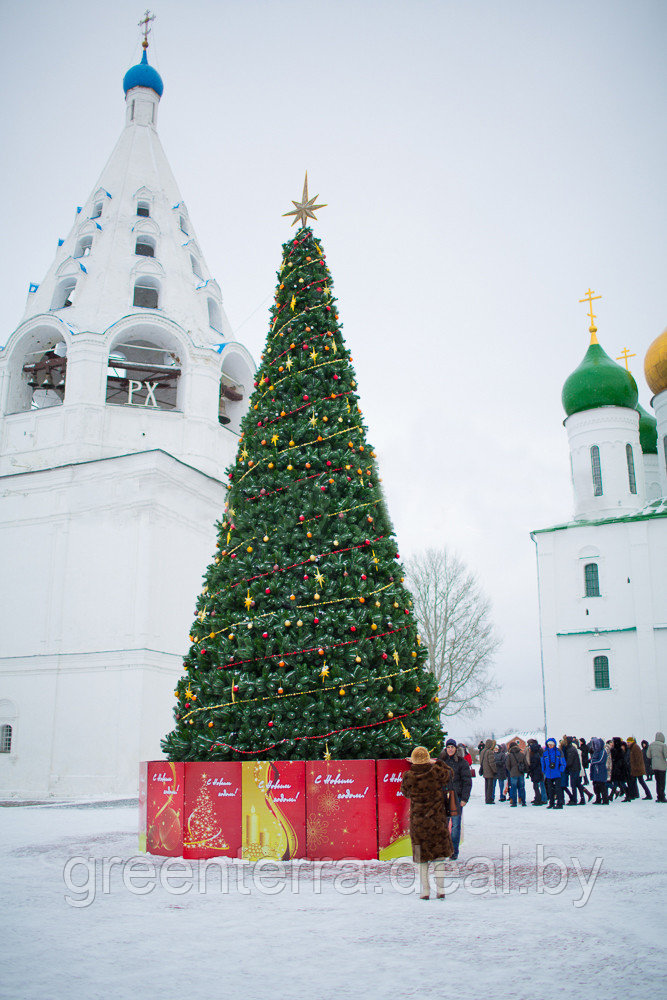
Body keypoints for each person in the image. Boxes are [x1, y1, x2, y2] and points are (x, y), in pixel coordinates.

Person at [400, 746, 454, 899]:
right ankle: (441, 890)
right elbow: (449, 773)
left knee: (421, 860)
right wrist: (434, 762)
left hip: (419, 823)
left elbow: (405, 792)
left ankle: (425, 892)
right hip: (437, 821)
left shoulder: (409, 776)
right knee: (439, 858)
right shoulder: (436, 772)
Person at [439, 739, 472, 860]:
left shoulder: (462, 763)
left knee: (455, 825)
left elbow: (467, 781)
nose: (450, 749)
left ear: (456, 749)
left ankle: (454, 851)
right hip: (443, 796)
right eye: (448, 747)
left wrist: (464, 798)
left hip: (456, 796)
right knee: (443, 824)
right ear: (445, 749)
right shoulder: (441, 762)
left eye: (452, 747)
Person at [565, 735, 592, 805]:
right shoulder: (573, 749)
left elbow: (570, 762)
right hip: (577, 769)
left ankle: (575, 799)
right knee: (577, 784)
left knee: (574, 785)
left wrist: (564, 765)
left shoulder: (571, 750)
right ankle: (583, 798)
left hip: (574, 769)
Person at [542, 738, 567, 808]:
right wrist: (544, 770)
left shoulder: (559, 751)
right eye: (549, 744)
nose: (550, 746)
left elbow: (563, 762)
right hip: (548, 774)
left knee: (558, 789)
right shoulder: (545, 752)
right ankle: (551, 803)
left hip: (557, 773)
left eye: (551, 744)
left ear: (554, 744)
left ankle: (559, 803)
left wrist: (561, 770)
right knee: (550, 789)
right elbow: (543, 762)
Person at [646, 732, 667, 803]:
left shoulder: (651, 745)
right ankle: (662, 797)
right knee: (662, 782)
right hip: (662, 766)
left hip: (654, 766)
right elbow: (666, 755)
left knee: (657, 782)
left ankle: (658, 796)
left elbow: (648, 755)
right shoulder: (663, 745)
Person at [526, 738, 547, 805]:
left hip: (538, 771)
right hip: (541, 770)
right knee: (541, 785)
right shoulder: (540, 750)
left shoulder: (535, 753)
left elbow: (534, 763)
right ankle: (541, 798)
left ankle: (541, 798)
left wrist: (529, 769)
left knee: (539, 785)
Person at [505, 741, 527, 806]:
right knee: (522, 787)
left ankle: (514, 802)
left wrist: (511, 771)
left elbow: (507, 765)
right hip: (521, 773)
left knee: (513, 788)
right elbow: (525, 764)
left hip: (513, 774)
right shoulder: (521, 754)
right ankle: (523, 801)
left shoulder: (510, 755)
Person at [588, 737, 609, 804]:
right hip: (595, 772)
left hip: (601, 771)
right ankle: (598, 799)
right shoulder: (596, 752)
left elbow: (600, 760)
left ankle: (605, 800)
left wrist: (592, 761)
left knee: (602, 786)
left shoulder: (603, 751)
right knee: (596, 786)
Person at [480, 738, 498, 804]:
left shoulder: (482, 751)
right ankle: (489, 799)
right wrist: (495, 770)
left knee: (486, 786)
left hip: (484, 770)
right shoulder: (489, 752)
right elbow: (492, 763)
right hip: (489, 771)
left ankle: (486, 799)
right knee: (490, 787)